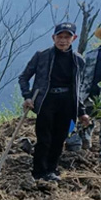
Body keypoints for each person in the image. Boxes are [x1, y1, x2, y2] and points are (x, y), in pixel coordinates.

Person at [19, 22, 91, 182]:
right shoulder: (42, 56)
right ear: (53, 37)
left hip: (67, 103)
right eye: (60, 37)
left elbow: (78, 88)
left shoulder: (78, 60)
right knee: (44, 137)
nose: (63, 40)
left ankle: (51, 170)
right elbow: (24, 77)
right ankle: (38, 171)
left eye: (67, 37)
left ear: (74, 38)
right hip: (46, 100)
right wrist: (28, 96)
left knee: (60, 138)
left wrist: (82, 112)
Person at [72, 26, 101, 150]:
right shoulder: (91, 56)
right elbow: (83, 78)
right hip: (91, 95)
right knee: (84, 121)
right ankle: (77, 142)